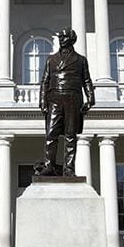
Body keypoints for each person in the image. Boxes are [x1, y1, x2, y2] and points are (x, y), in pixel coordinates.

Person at [36, 28, 95, 177]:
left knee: (70, 135)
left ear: (72, 39)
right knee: (51, 134)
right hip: (54, 98)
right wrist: (42, 102)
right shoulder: (51, 59)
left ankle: (69, 168)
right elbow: (45, 81)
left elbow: (86, 80)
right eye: (60, 37)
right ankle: (49, 166)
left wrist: (90, 98)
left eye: (64, 37)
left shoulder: (80, 60)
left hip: (72, 99)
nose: (61, 39)